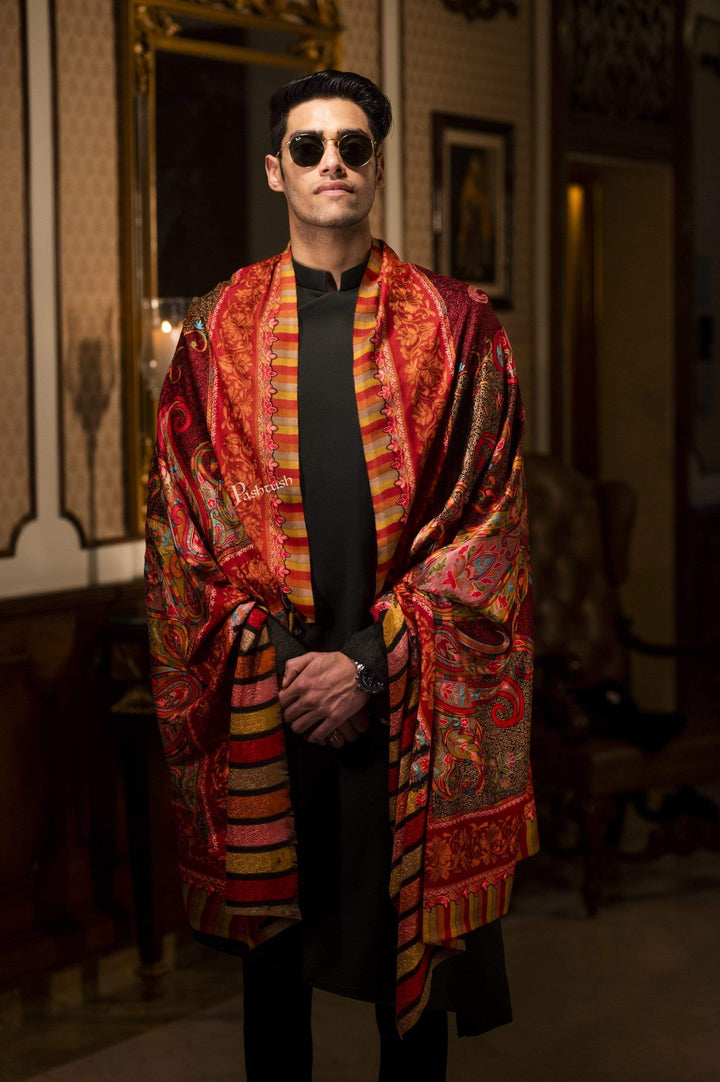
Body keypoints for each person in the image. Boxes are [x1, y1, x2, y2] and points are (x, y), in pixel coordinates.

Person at [145, 69, 538, 1082]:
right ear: (276, 169)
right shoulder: (217, 330)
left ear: (377, 167)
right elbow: (186, 522)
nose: (334, 164)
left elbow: (489, 528)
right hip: (270, 695)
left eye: (353, 146)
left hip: (405, 697)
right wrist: (292, 667)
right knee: (275, 977)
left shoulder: (458, 326)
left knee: (412, 985)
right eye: (310, 147)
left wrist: (366, 664)